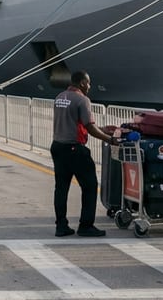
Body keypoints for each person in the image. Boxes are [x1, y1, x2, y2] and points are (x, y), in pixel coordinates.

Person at [49, 70, 116, 237]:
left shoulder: (60, 97)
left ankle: (61, 226)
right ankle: (86, 225)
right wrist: (110, 139)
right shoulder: (82, 100)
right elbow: (89, 128)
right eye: (88, 82)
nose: (90, 86)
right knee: (90, 186)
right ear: (82, 83)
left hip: (57, 147)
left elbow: (76, 123)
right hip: (74, 149)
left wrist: (102, 128)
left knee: (61, 188)